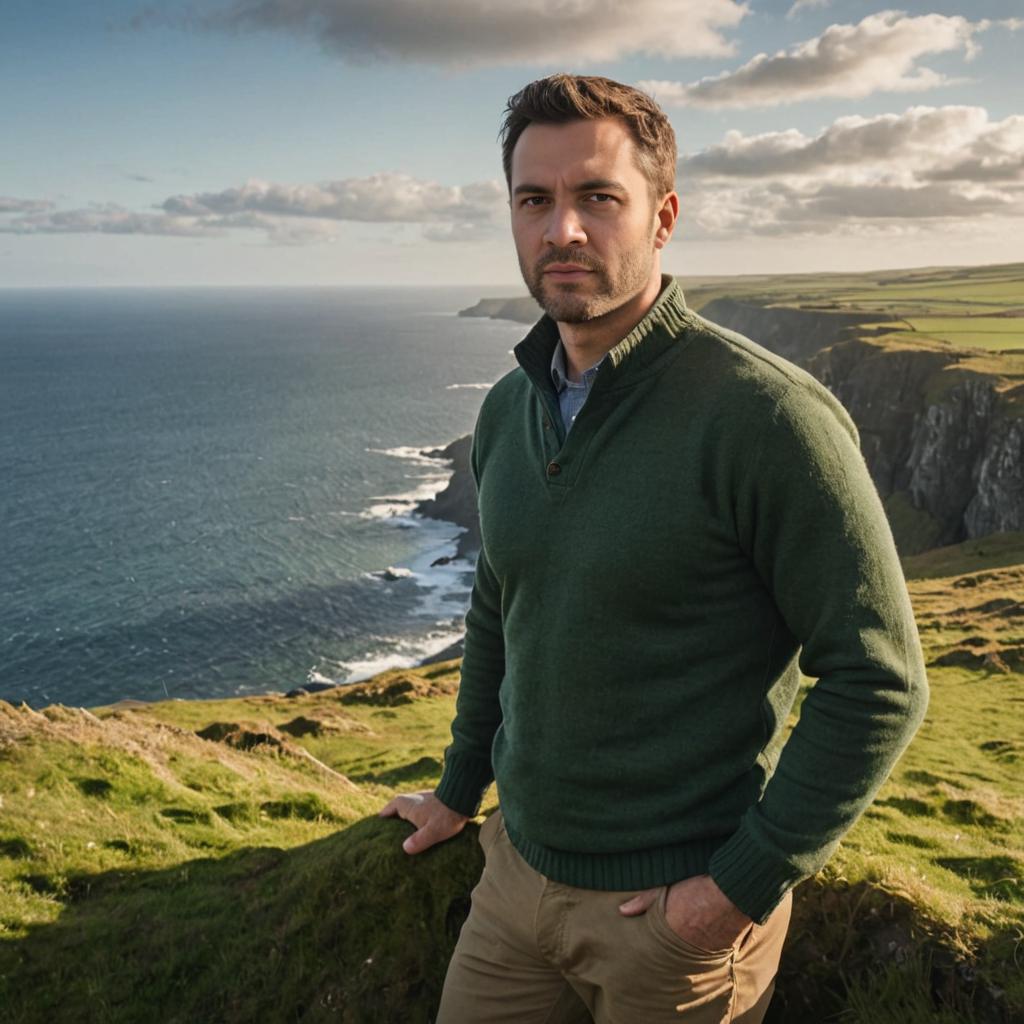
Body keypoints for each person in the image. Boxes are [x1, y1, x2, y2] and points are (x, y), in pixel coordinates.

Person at [379, 73, 929, 1023]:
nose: (563, 232)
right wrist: (460, 788)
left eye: (599, 197)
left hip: (673, 924)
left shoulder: (767, 417)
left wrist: (735, 891)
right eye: (534, 201)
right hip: (514, 884)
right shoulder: (510, 409)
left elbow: (879, 678)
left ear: (663, 216)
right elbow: (498, 603)